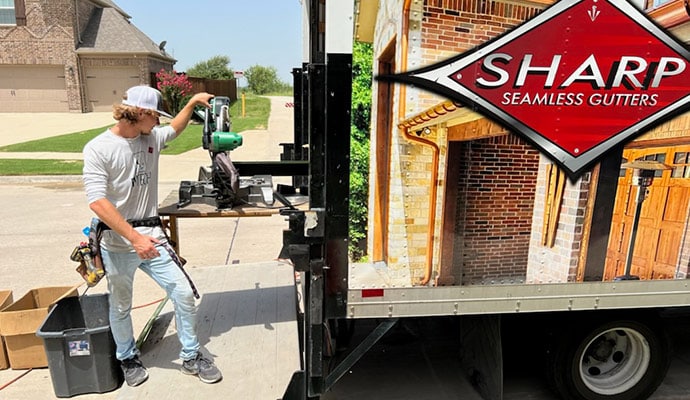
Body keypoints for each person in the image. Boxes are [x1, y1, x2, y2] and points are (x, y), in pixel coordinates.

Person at [82, 85, 222, 386]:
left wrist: (192, 102)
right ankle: (128, 358)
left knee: (183, 293)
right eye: (154, 116)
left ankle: (190, 356)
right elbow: (97, 202)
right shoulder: (98, 148)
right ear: (140, 113)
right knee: (121, 305)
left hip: (152, 236)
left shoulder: (151, 139)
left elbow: (175, 128)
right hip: (119, 243)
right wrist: (135, 238)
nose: (158, 122)